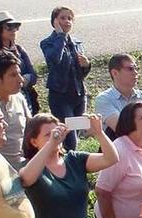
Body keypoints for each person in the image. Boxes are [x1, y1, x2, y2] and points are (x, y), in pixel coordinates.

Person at [40, 6, 90, 151]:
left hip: (78, 95)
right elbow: (55, 60)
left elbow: (81, 74)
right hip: (61, 97)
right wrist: (60, 35)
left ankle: (69, 162)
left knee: (78, 133)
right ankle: (70, 166)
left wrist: (87, 65)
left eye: (69, 18)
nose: (67, 21)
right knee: (70, 137)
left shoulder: (77, 43)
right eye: (62, 18)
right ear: (54, 21)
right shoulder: (47, 43)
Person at [94, 53, 142, 145]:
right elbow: (120, 129)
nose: (136, 72)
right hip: (117, 156)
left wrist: (137, 133)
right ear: (115, 73)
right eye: (130, 69)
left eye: (136, 68)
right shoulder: (104, 99)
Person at [0, 12, 38, 115]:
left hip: (23, 98)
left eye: (16, 26)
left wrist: (21, 80)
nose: (14, 30)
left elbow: (33, 76)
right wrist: (23, 79)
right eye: (9, 27)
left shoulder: (19, 49)